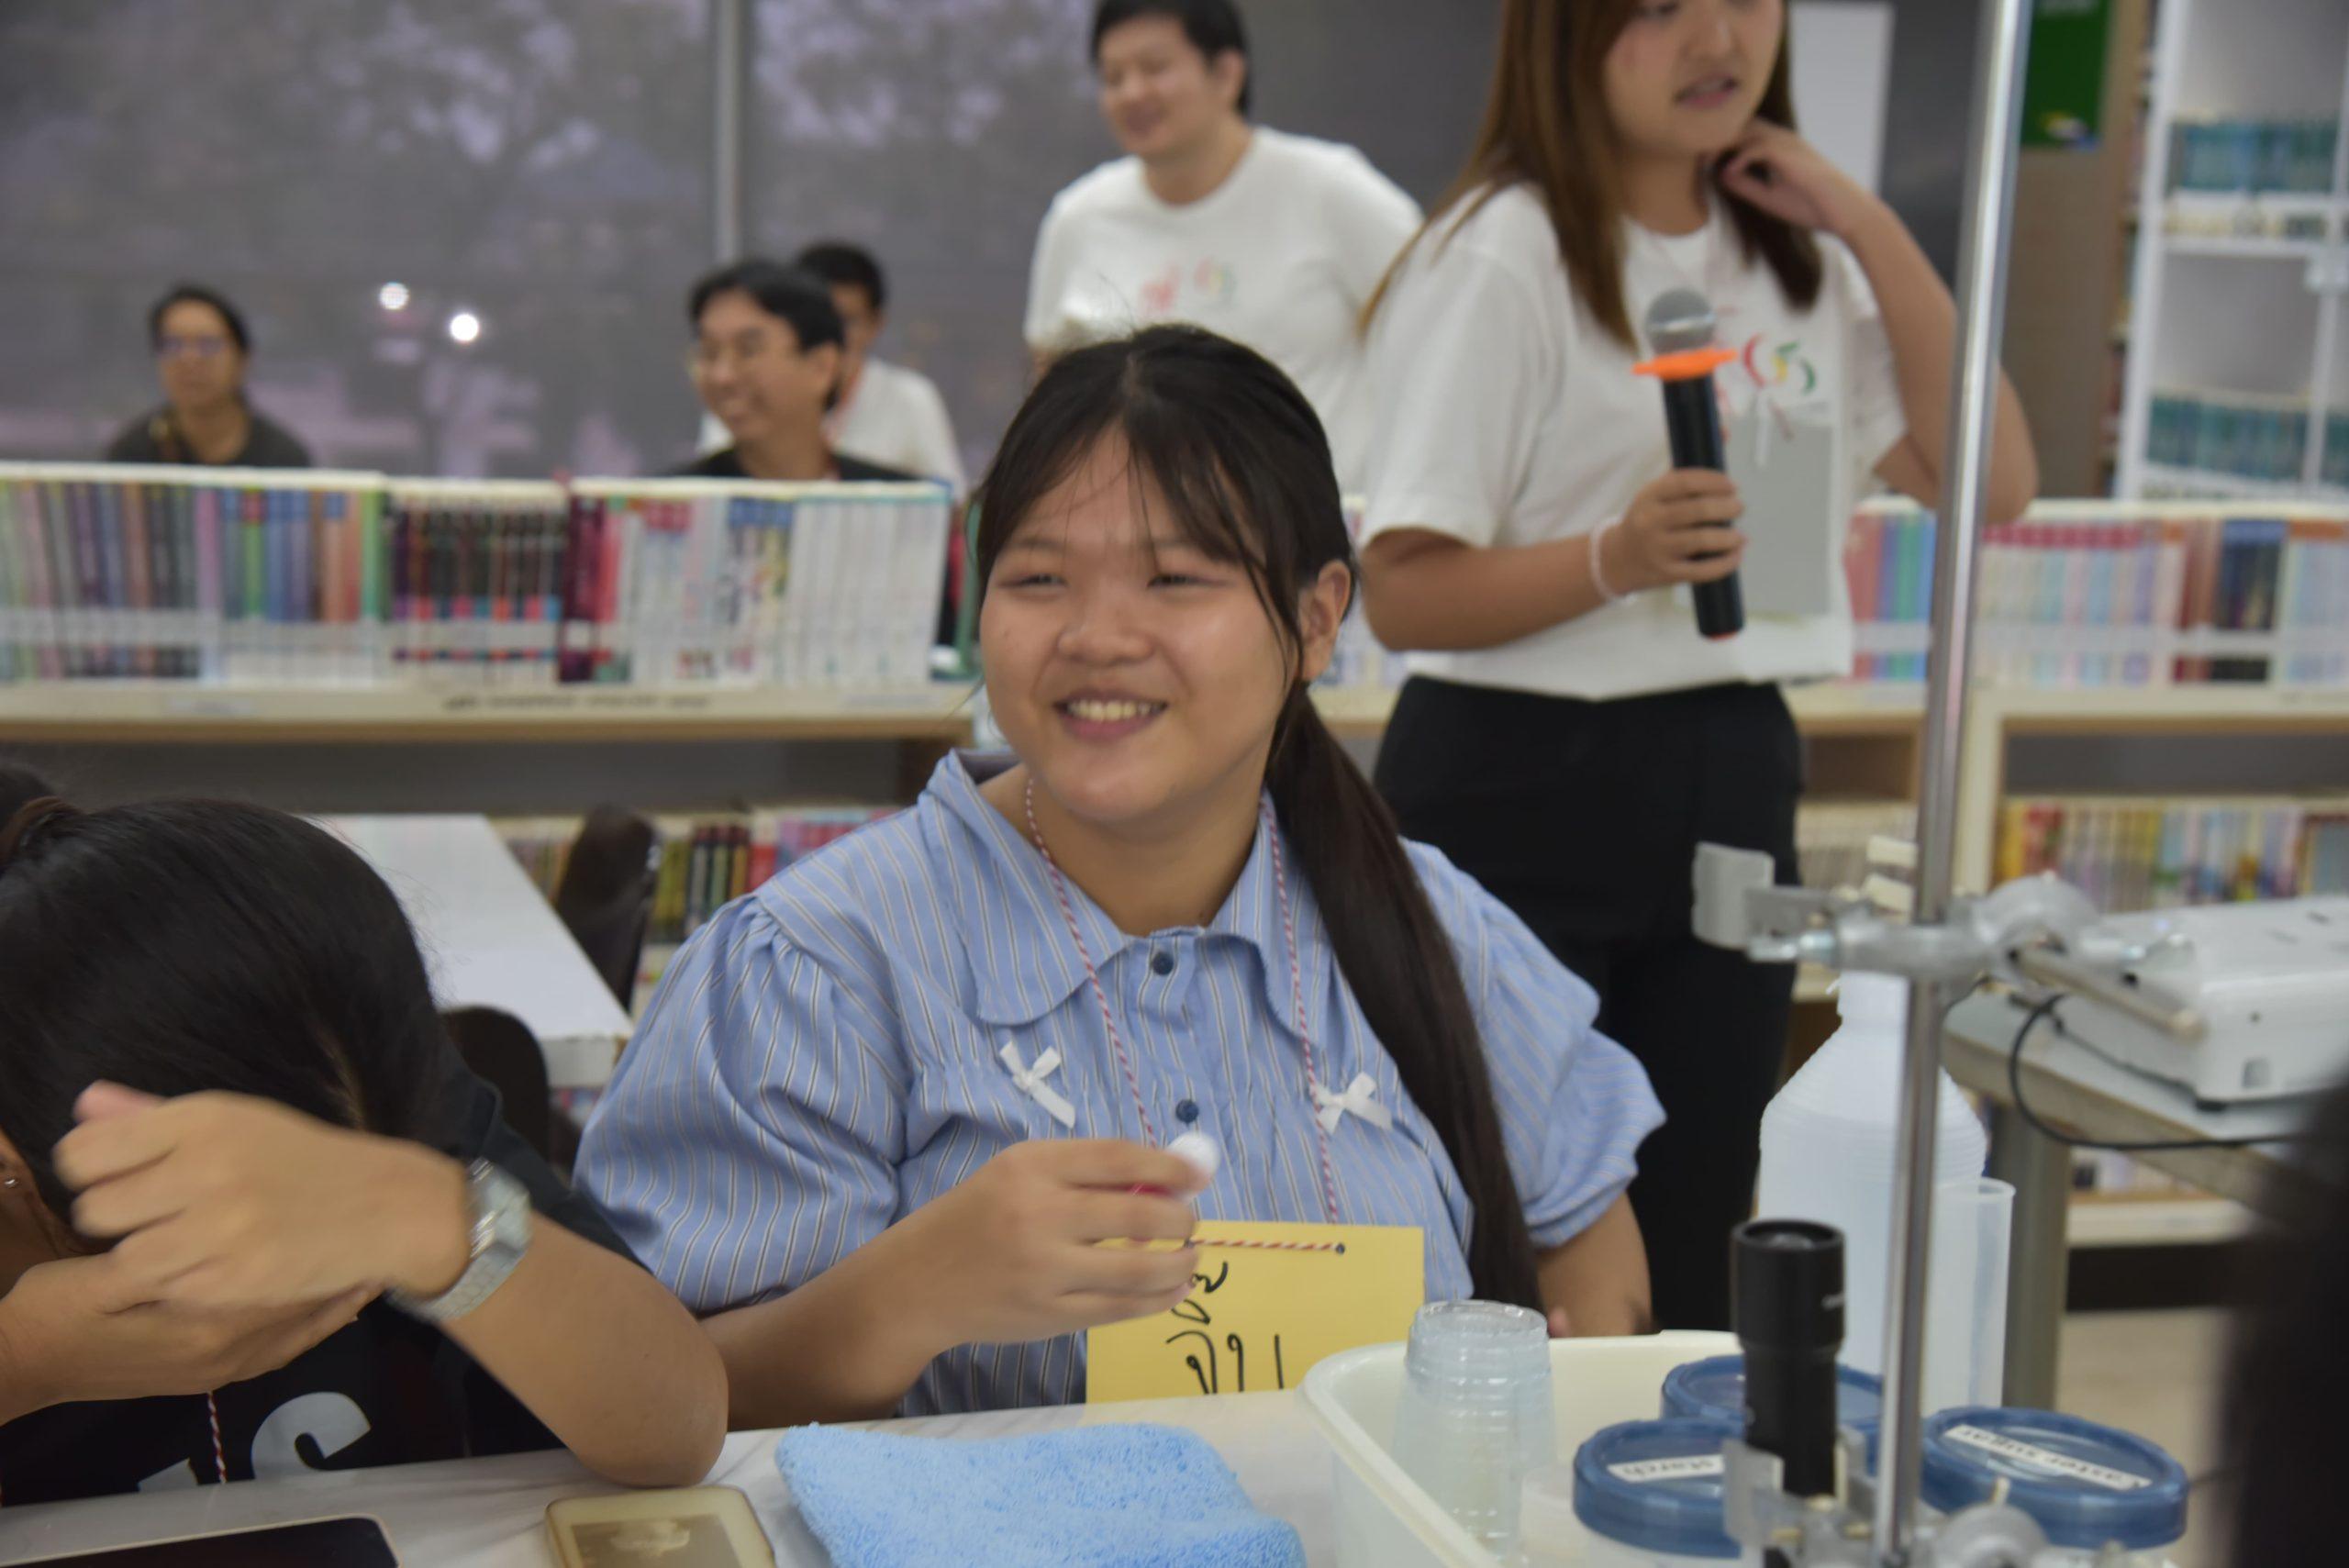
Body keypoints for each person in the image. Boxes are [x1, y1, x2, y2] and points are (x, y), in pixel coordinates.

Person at [575, 326, 1664, 1425]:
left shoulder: (1437, 927)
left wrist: (1559, 1387)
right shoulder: (815, 968)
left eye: (1175, 577)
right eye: (1038, 577)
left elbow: (1581, 1231)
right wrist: (912, 1290)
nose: (1096, 636)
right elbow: (659, 1400)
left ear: (1316, 617)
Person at [1355, 0, 2037, 1330]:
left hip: (1733, 762)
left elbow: (1993, 479)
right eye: (1661, 8)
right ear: (1568, 33)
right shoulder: (1504, 249)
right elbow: (1403, 587)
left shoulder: (1799, 254)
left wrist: (1865, 222)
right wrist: (1612, 556)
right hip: (1515, 776)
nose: (1717, 38)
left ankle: (1655, 1453)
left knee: (1696, 1198)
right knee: (1500, 1227)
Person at [0, 772, 726, 1506]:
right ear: (16, 1172)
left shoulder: (365, 1079)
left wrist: (431, 1218)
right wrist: (26, 1363)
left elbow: (680, 1428)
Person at [1022, 0, 1420, 489]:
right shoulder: (1078, 218)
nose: (1132, 93)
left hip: (1311, 519)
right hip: (1127, 522)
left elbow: (1439, 344)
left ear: (1227, 74)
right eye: (1113, 77)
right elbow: (1051, 398)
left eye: (1155, 68)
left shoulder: (1332, 191)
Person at [673, 260, 921, 484]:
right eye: (709, 352)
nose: (722, 376)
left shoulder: (895, 501)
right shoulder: (676, 502)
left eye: (748, 350)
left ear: (821, 367)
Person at [795, 241, 966, 492]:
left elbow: (949, 498)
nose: (832, 337)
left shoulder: (912, 397)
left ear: (875, 324)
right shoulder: (761, 396)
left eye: (847, 321)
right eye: (817, 321)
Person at [104, 284, 311, 469]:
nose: (189, 360)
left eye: (207, 345)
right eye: (172, 345)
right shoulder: (131, 457)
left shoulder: (282, 459)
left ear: (242, 359)